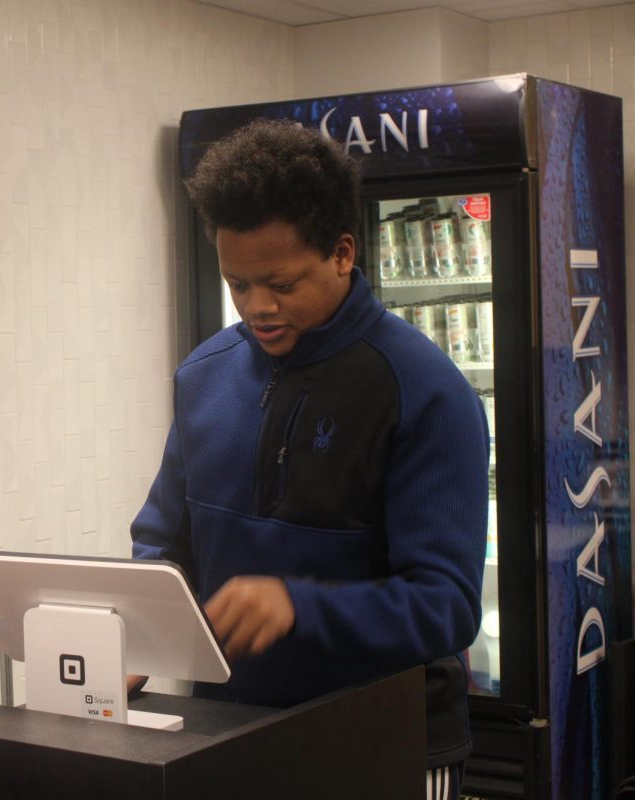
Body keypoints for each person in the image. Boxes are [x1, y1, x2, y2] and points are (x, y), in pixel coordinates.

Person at [131, 119, 488, 800]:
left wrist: (301, 607)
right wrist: (140, 637)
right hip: (230, 731)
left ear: (343, 254)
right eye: (237, 285)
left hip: (389, 741)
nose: (258, 308)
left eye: (281, 285)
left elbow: (446, 606)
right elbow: (162, 541)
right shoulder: (203, 376)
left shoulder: (427, 391)